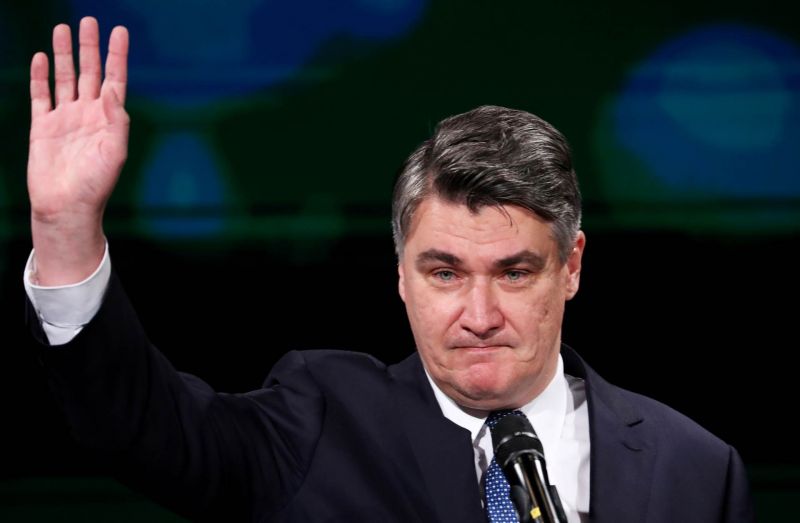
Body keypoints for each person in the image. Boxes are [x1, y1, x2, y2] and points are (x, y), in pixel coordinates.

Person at [24, 17, 754, 523]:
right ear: (400, 274)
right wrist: (64, 230)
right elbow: (139, 425)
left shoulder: (695, 469)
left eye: (514, 273)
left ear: (571, 267)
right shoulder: (320, 422)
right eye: (445, 273)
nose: (479, 316)